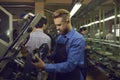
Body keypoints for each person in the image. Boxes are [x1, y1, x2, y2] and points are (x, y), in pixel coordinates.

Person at [32, 9, 86, 80]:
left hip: (72, 76)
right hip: (60, 74)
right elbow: (56, 54)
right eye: (56, 25)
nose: (57, 28)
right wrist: (46, 55)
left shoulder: (77, 39)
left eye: (59, 25)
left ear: (67, 21)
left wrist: (45, 66)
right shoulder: (60, 37)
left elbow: (70, 65)